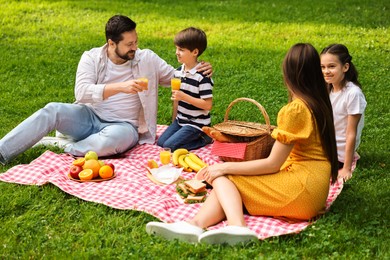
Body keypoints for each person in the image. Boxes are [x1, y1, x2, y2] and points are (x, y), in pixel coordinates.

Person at [146, 43, 339, 245]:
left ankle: (238, 227)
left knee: (225, 178)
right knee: (227, 190)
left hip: (302, 192)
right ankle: (193, 225)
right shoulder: (318, 101)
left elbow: (272, 164)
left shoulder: (296, 110)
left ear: (289, 73)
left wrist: (223, 167)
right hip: (315, 188)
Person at [0, 15, 213, 165]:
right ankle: (3, 151)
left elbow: (175, 77)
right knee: (52, 110)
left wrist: (197, 68)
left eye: (136, 41)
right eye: (129, 44)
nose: (135, 47)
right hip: (90, 117)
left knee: (114, 141)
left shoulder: (146, 58)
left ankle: (64, 147)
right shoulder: (91, 57)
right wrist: (121, 87)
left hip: (123, 127)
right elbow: (81, 93)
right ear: (111, 43)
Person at [157, 27, 213, 151]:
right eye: (176, 48)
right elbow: (177, 101)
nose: (177, 52)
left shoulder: (202, 76)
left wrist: (183, 96)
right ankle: (182, 137)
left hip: (197, 124)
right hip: (181, 120)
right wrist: (174, 122)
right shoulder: (178, 72)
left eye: (181, 50)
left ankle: (205, 138)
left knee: (169, 146)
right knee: (161, 143)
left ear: (195, 52)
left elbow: (208, 105)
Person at [320, 44, 367, 182]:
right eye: (323, 67)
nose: (326, 71)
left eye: (331, 66)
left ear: (345, 67)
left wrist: (346, 168)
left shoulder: (353, 94)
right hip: (325, 147)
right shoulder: (329, 90)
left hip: (338, 154)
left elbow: (351, 133)